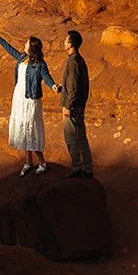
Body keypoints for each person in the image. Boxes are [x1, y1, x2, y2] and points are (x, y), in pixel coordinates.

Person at [0, 26, 60, 174]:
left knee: (31, 129)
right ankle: (28, 162)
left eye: (27, 43)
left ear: (32, 47)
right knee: (23, 129)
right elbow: (11, 50)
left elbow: (46, 77)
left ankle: (42, 162)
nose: (24, 45)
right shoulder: (23, 58)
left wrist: (53, 86)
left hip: (31, 100)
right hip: (19, 97)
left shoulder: (40, 64)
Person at [60, 28, 93, 178]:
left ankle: (77, 168)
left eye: (66, 40)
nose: (64, 42)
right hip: (79, 105)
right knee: (81, 137)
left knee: (71, 138)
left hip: (72, 107)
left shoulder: (73, 61)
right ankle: (88, 168)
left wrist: (68, 106)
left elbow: (73, 86)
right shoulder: (80, 59)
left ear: (71, 44)